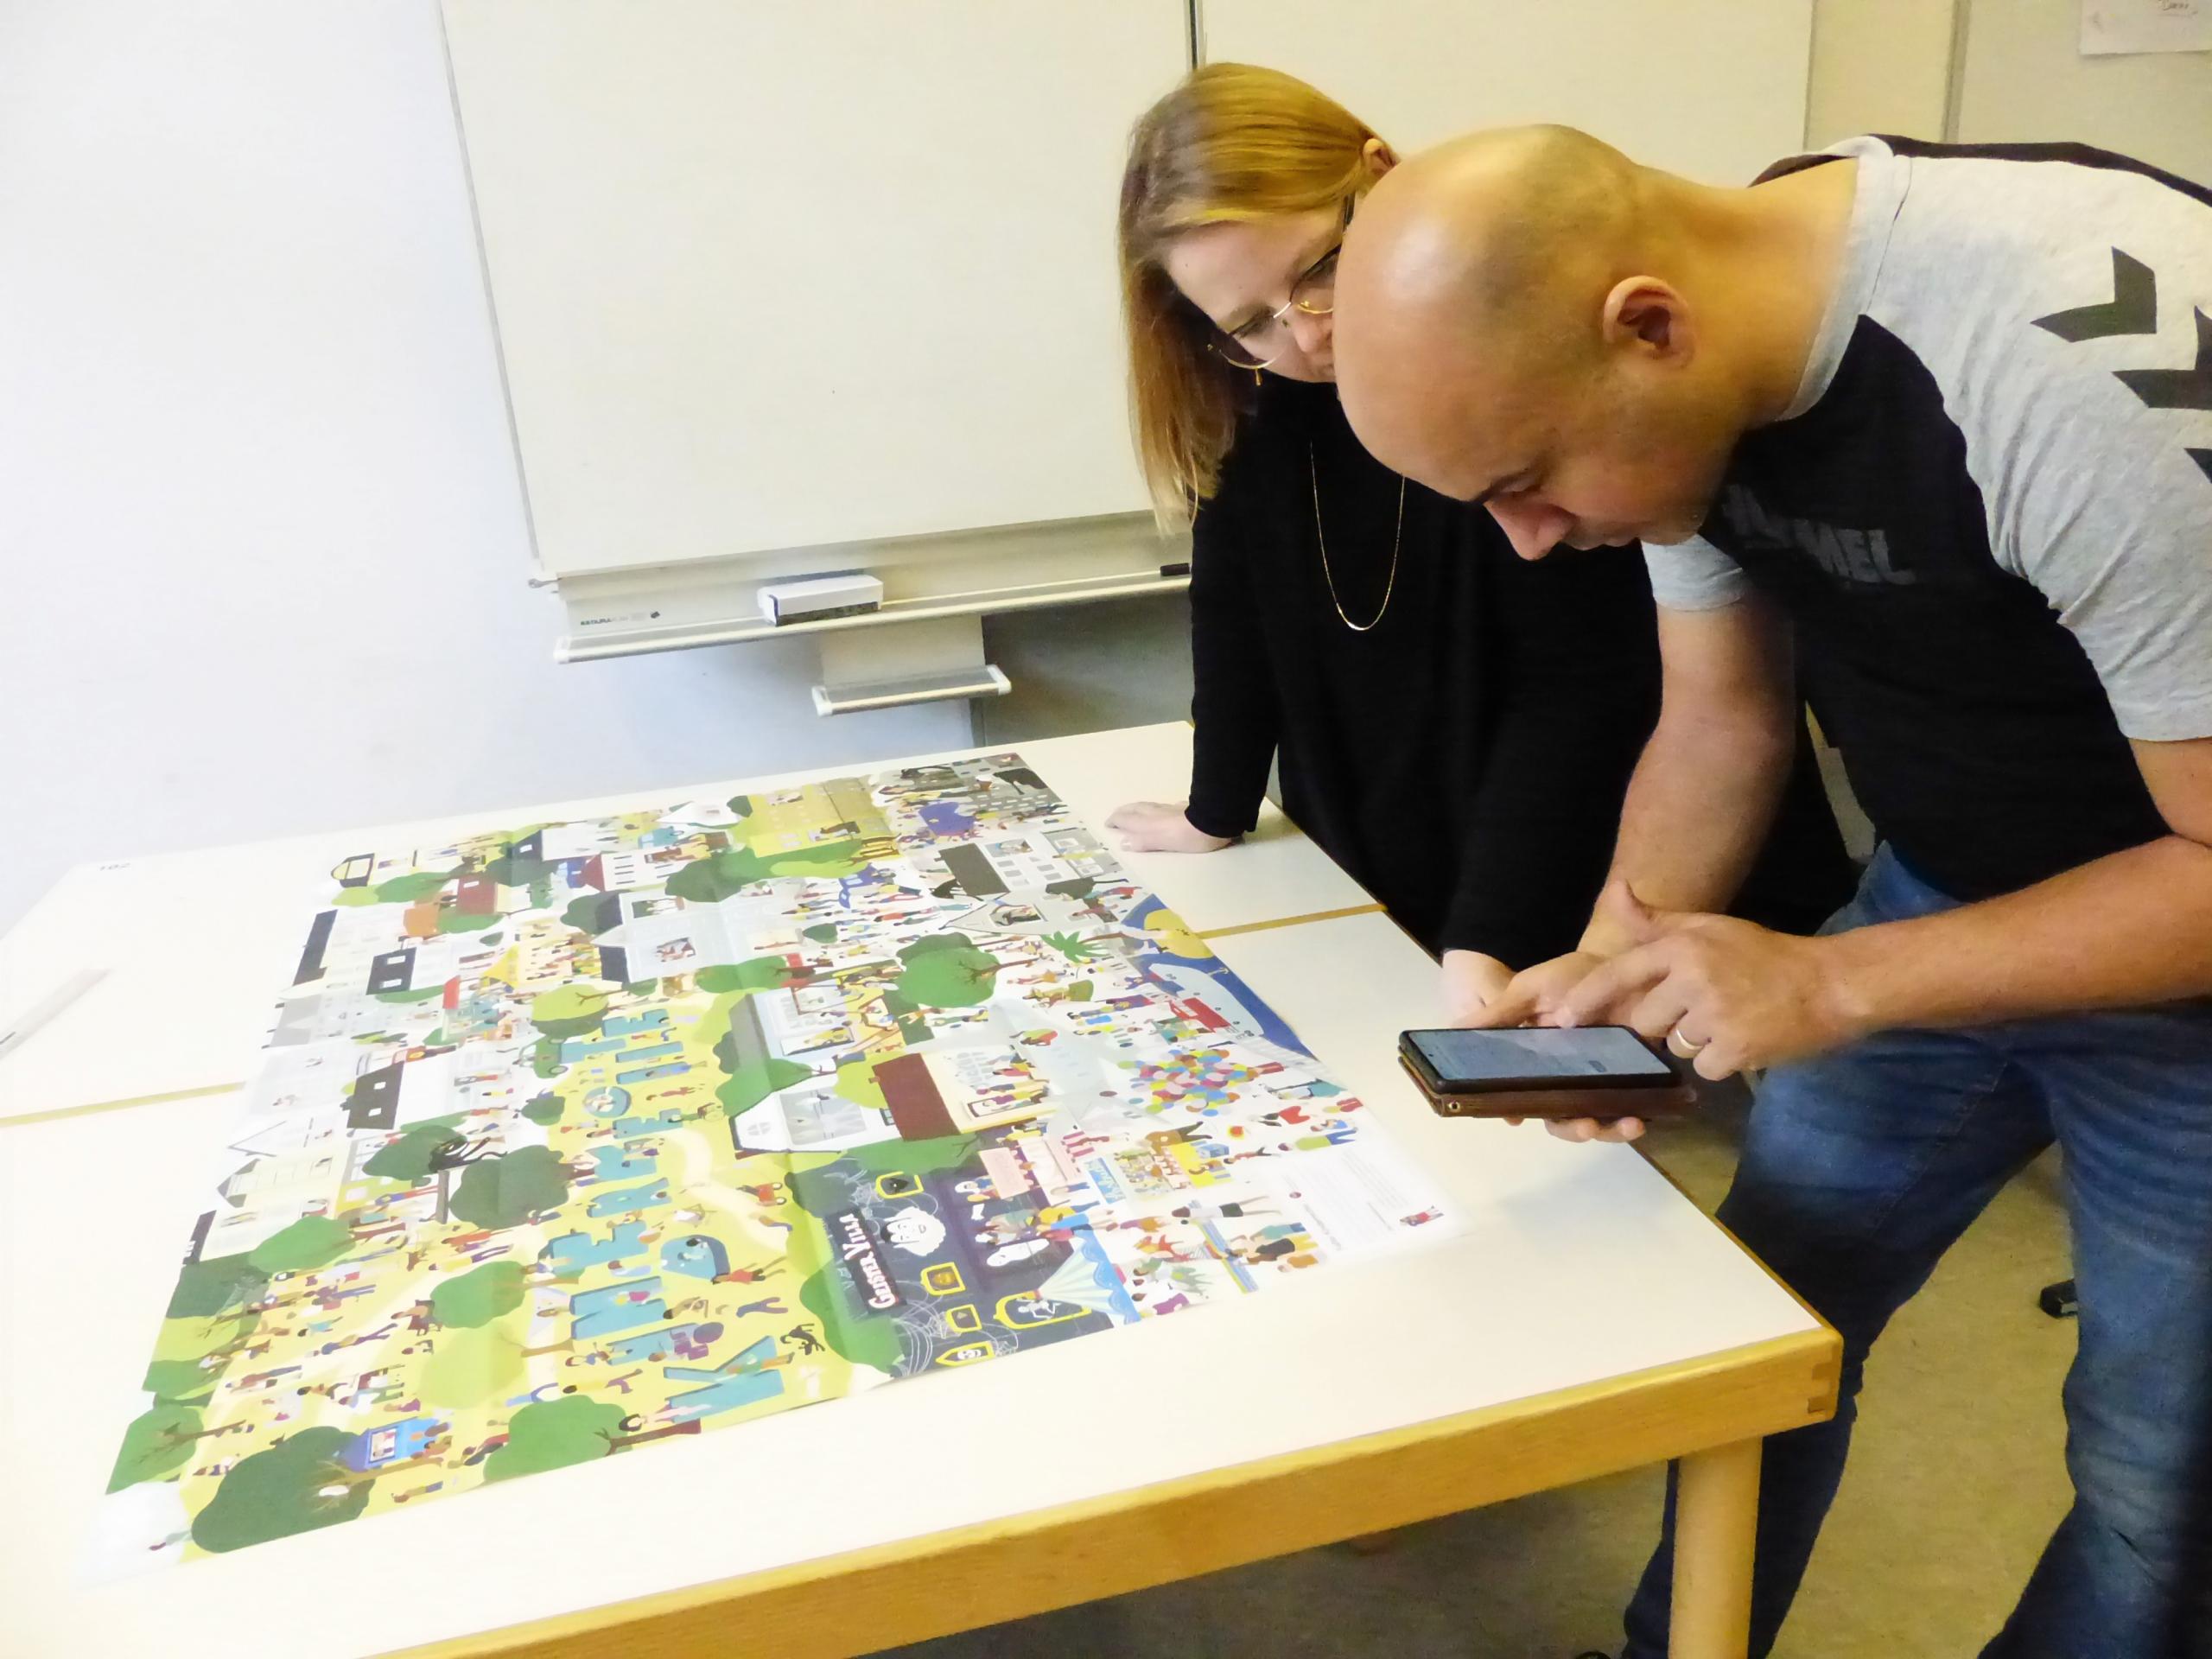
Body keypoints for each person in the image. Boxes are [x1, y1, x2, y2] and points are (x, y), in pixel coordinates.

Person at [1331, 124, 2212, 1658]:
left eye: (1527, 483)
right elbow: (1721, 723)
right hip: (1952, 883)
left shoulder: (2073, 371)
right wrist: (1618, 961)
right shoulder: (1706, 364)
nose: (1528, 546)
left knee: (2158, 1474)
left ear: (1648, 326)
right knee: (1754, 1339)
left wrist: (1835, 981)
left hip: (2185, 956)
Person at [1106, 66, 1853, 1018]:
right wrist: (1216, 806)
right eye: (1251, 323)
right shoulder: (1260, 402)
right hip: (1428, 855)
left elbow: (1586, 682)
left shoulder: (1505, 357)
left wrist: (1489, 933)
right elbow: (1233, 613)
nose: (1310, 335)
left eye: (1319, 270)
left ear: (1382, 177)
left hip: (1625, 840)